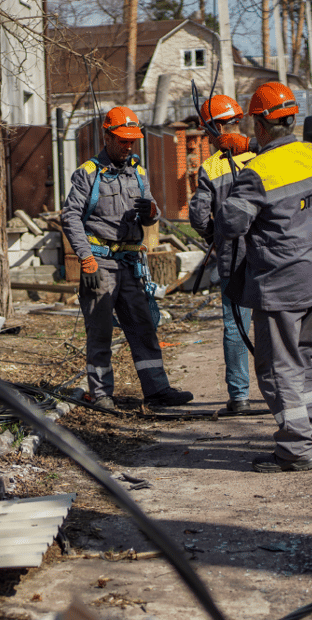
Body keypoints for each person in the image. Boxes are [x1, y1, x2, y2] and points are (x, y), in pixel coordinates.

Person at [214, 82, 312, 473]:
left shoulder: (257, 174)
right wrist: (245, 144)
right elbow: (279, 152)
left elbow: (231, 223)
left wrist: (231, 181)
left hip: (282, 281)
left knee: (277, 367)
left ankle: (296, 450)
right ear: (291, 117)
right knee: (302, 358)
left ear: (262, 123)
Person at [59, 106, 193, 411]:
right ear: (107, 136)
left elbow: (152, 213)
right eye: (122, 140)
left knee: (143, 327)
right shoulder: (88, 174)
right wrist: (86, 259)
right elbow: (70, 218)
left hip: (131, 264)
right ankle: (102, 393)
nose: (128, 145)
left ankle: (157, 391)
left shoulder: (139, 171)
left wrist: (152, 214)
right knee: (101, 330)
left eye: (132, 140)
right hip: (100, 264)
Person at [188, 94, 256, 416]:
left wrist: (213, 236)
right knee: (272, 324)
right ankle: (281, 391)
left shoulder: (210, 168)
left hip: (233, 258)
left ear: (212, 131)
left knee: (235, 327)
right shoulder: (259, 157)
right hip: (268, 256)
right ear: (237, 122)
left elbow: (199, 216)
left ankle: (240, 397)